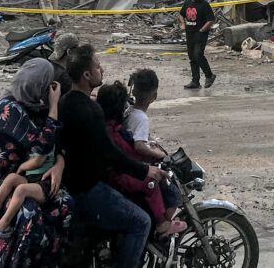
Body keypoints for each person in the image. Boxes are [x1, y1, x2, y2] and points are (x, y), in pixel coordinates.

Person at [59, 44, 165, 268]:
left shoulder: (67, 101)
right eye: (98, 66)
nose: (102, 70)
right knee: (141, 222)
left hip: (75, 183)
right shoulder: (90, 109)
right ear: (87, 75)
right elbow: (111, 153)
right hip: (89, 189)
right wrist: (146, 169)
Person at [0, 58, 69, 268]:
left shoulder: (33, 106)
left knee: (66, 203)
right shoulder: (9, 108)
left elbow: (56, 142)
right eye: (46, 84)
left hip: (23, 174)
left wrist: (59, 163)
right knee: (30, 213)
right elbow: (41, 145)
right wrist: (54, 105)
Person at [97, 81, 187, 237]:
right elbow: (130, 152)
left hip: (115, 172)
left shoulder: (112, 124)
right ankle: (162, 223)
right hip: (120, 175)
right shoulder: (114, 131)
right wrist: (152, 158)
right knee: (152, 183)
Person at [0, 78, 63, 240]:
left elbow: (39, 158)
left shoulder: (45, 137)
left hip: (44, 184)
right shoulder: (14, 109)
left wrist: (22, 168)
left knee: (20, 190)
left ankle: (1, 224)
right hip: (32, 178)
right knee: (11, 179)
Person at [126, 68, 183, 214]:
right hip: (141, 166)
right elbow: (139, 145)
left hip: (132, 162)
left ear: (134, 92)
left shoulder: (129, 111)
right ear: (154, 96)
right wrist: (157, 153)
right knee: (174, 194)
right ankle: (164, 223)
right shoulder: (141, 118)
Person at [179, 0, 216, 89]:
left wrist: (202, 30)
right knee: (192, 57)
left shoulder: (204, 4)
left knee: (198, 54)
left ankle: (209, 76)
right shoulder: (187, 4)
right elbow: (181, 14)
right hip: (189, 33)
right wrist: (183, 23)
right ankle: (195, 82)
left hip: (200, 34)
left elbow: (211, 19)